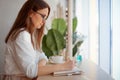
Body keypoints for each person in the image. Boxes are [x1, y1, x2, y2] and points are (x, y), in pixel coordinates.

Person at [4, 0, 75, 79]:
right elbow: (30, 72)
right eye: (43, 16)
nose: (44, 22)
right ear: (30, 13)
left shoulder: (30, 35)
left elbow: (43, 57)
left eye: (46, 18)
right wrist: (63, 67)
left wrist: (37, 68)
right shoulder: (21, 35)